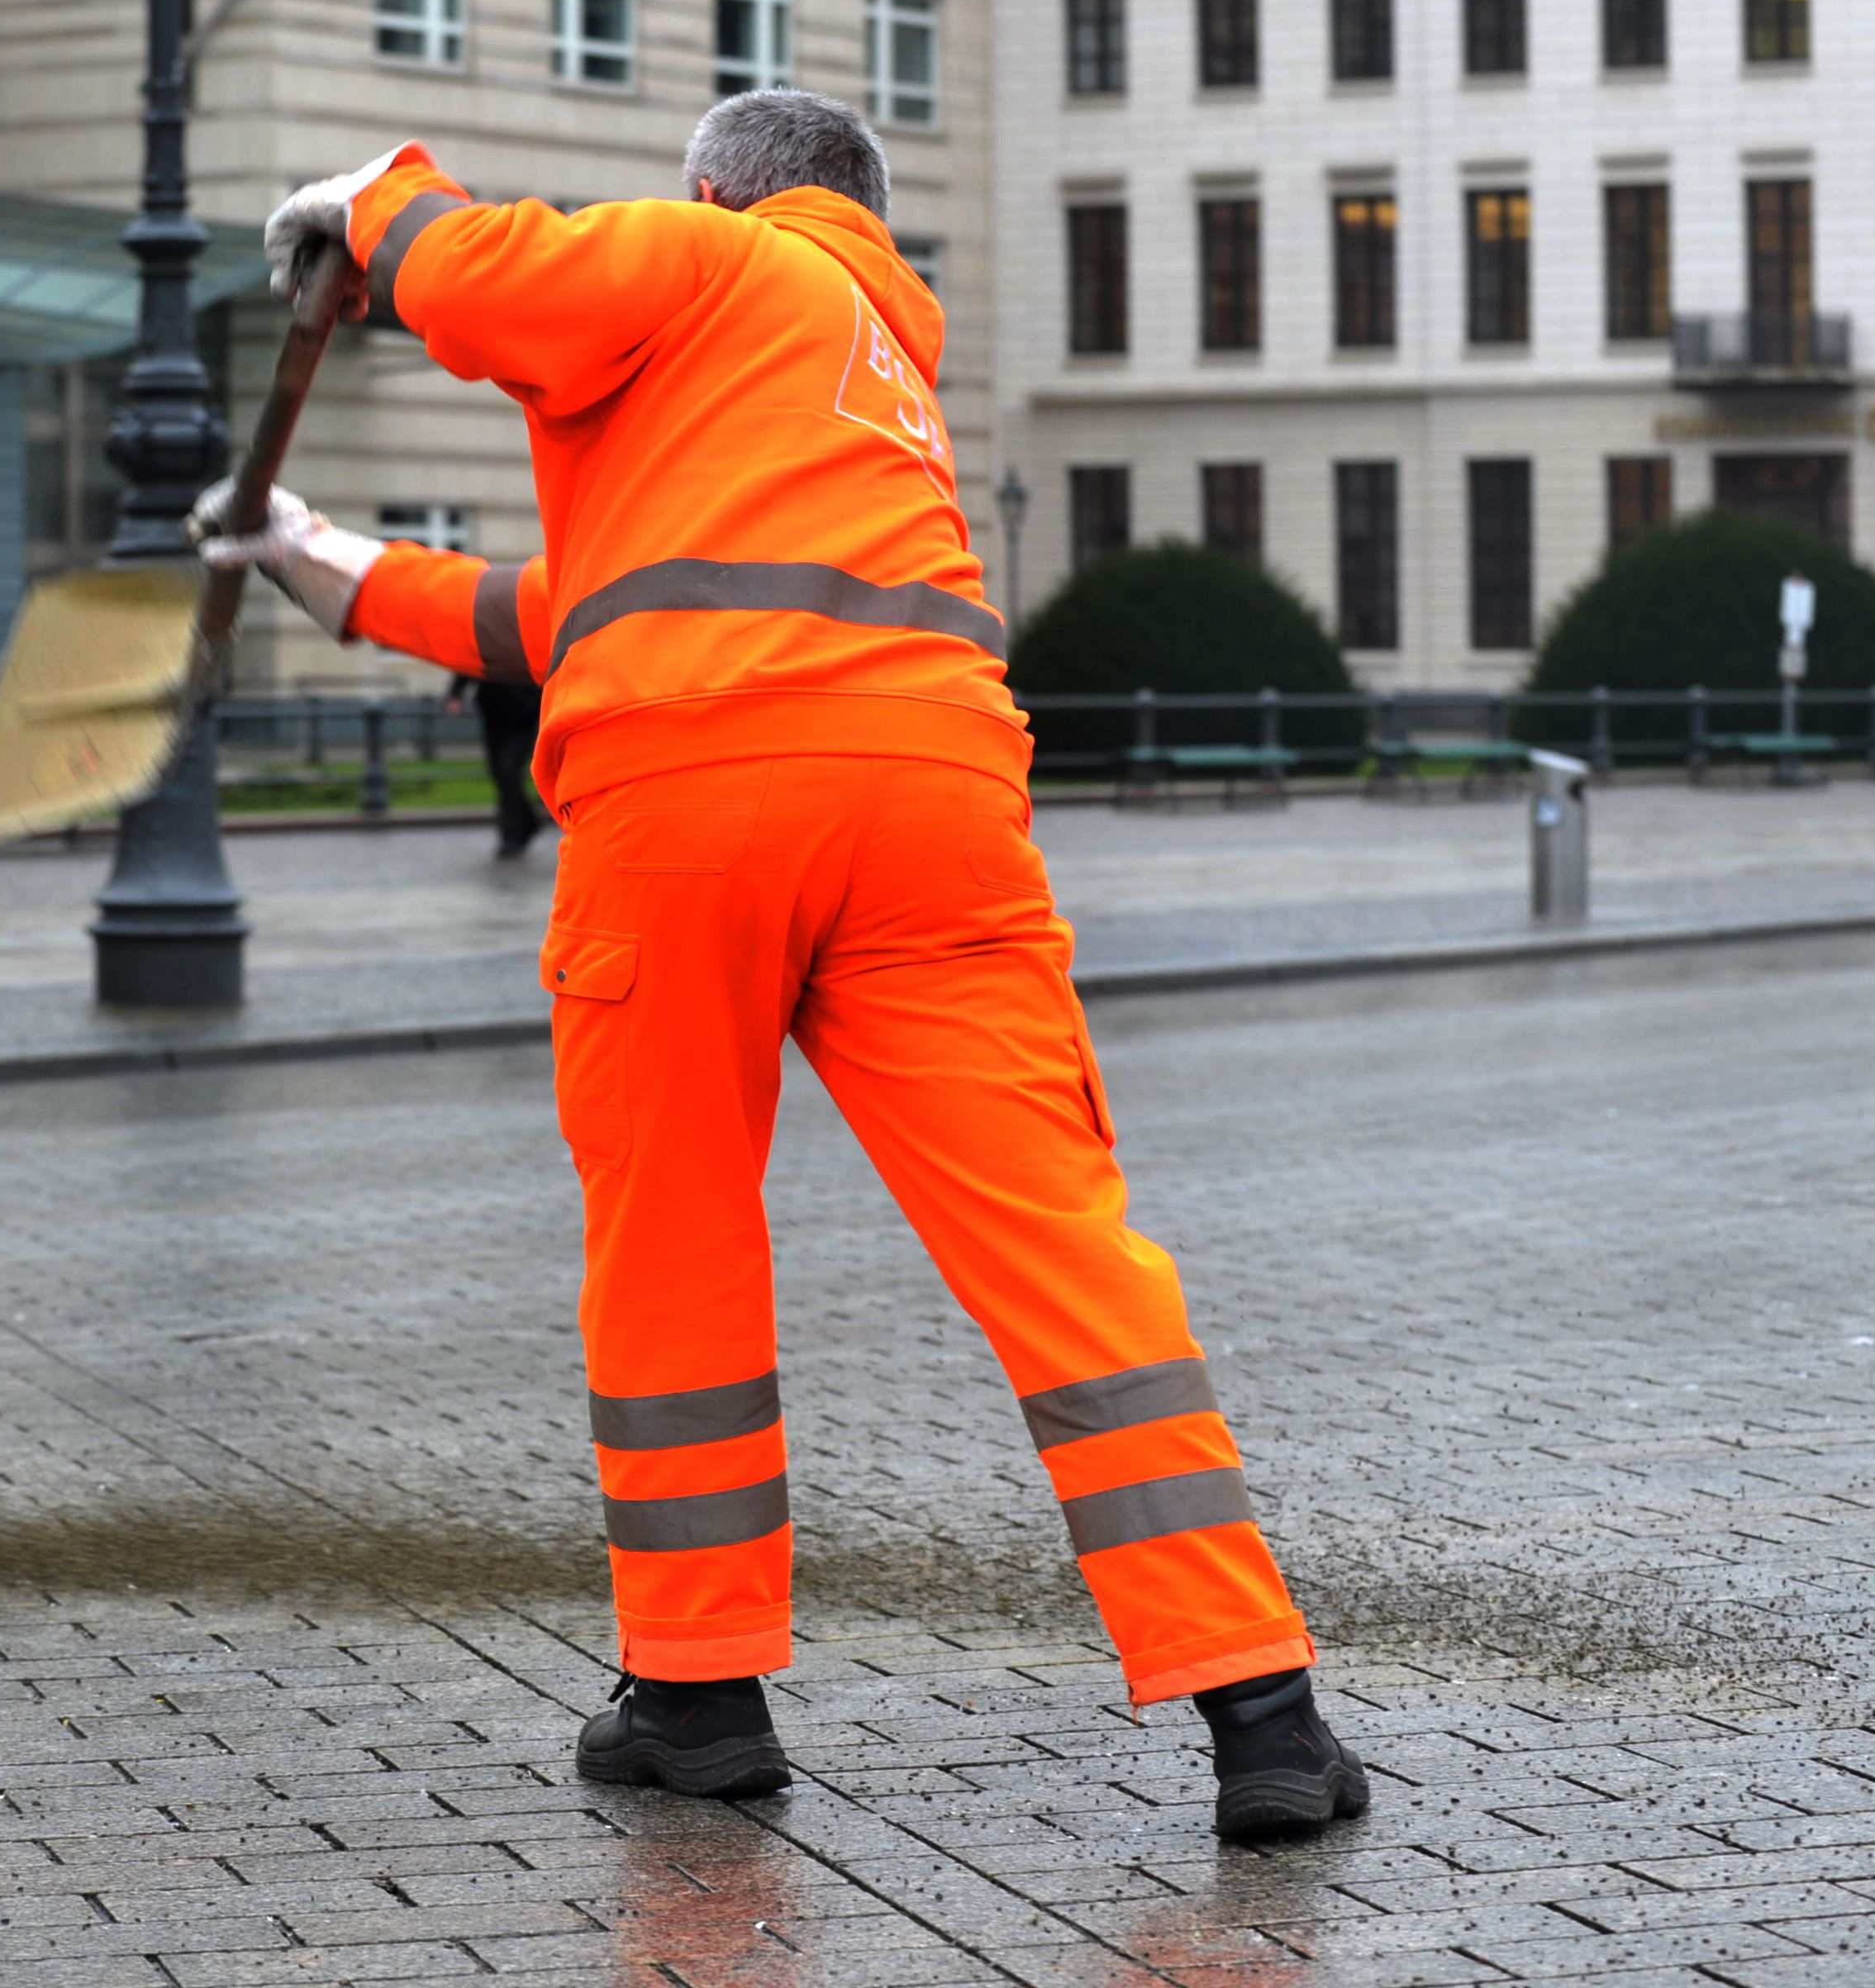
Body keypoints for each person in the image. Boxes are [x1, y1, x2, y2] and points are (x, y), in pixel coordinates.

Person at [188, 91, 1364, 1839]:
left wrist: (378, 198)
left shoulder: (705, 253)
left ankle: (697, 1695)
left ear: (725, 189)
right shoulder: (869, 363)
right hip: (934, 806)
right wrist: (318, 559)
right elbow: (567, 603)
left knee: (671, 1248)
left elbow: (495, 285)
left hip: (688, 806)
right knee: (1060, 1253)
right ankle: (1261, 1714)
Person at [447, 673, 547, 858]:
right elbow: (471, 659)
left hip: (523, 715)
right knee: (500, 773)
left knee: (509, 772)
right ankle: (527, 824)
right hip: (494, 713)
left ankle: (512, 835)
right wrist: (455, 693)